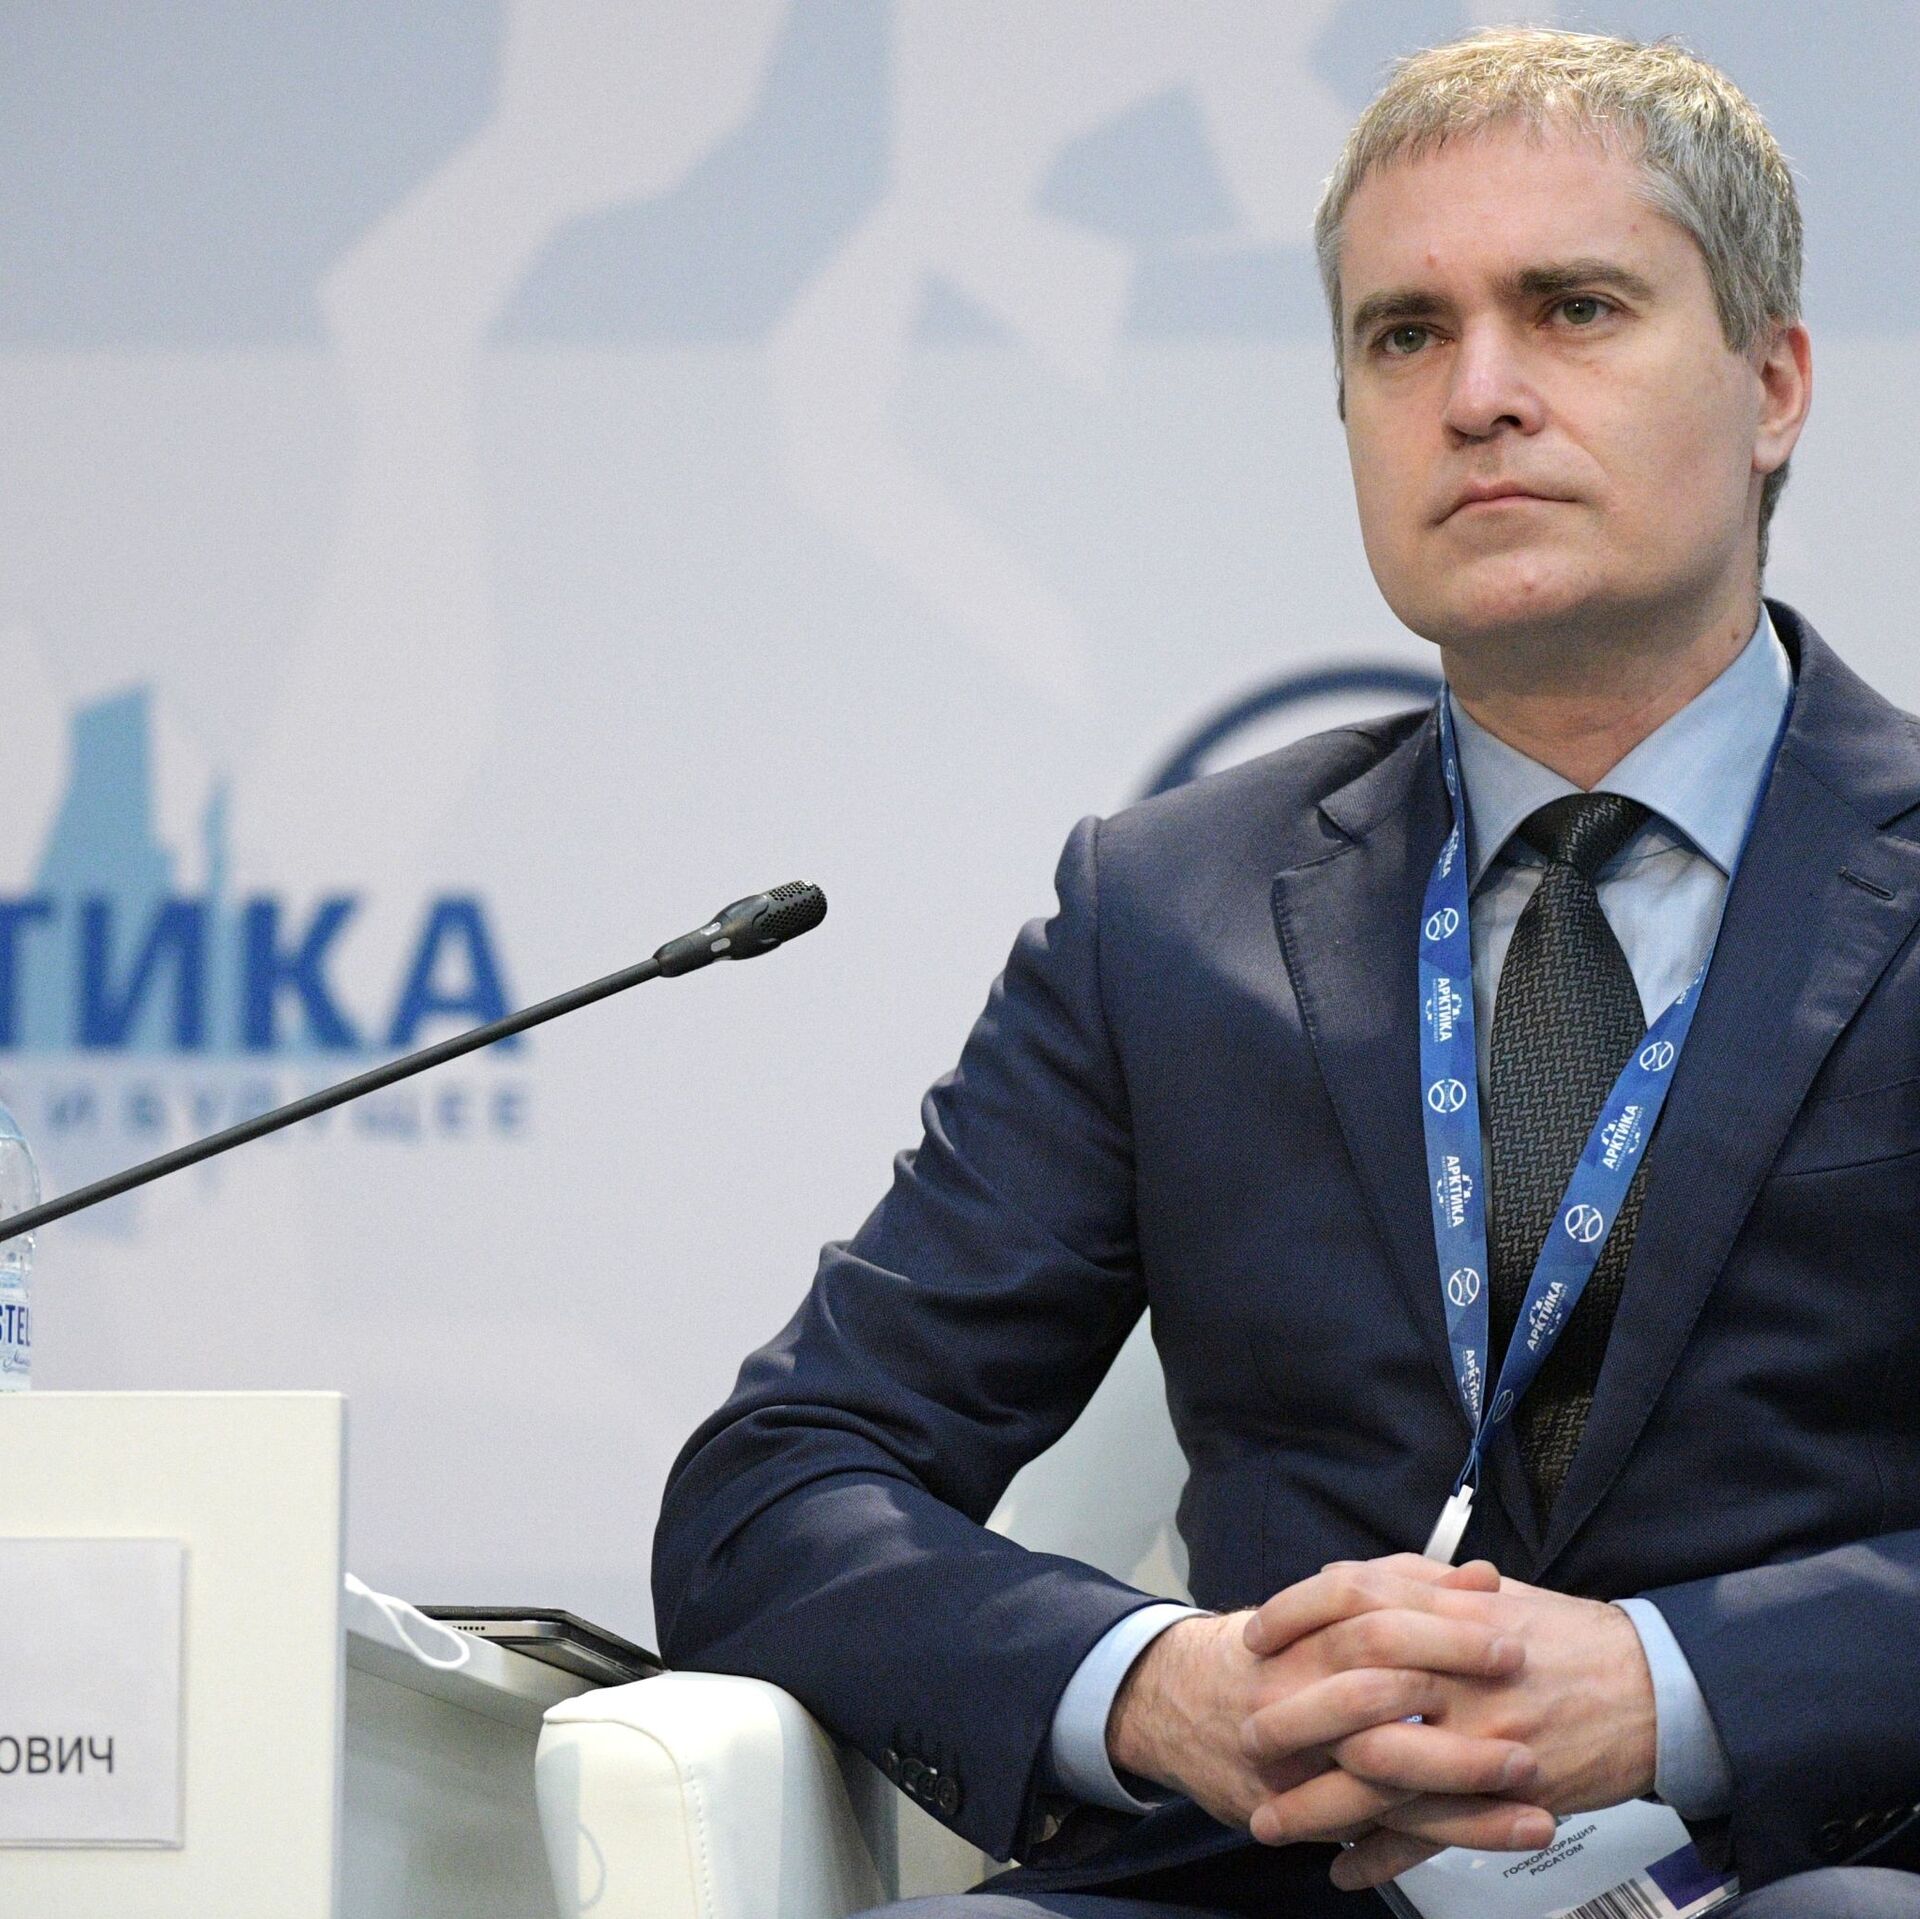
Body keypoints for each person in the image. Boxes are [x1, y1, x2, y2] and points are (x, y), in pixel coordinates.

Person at [653, 27, 1920, 1919]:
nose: (1478, 396)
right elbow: (778, 1483)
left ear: (1774, 385)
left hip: (1824, 1864)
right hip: (1277, 1876)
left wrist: (1672, 1688)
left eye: (1572, 310)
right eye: (1405, 335)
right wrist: (1160, 1688)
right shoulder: (1174, 912)